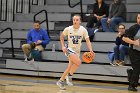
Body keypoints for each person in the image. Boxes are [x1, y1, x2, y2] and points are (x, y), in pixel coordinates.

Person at [57, 14, 94, 90]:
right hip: (69, 49)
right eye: (74, 20)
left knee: (70, 66)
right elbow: (61, 37)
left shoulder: (83, 30)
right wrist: (63, 46)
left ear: (80, 21)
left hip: (77, 51)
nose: (75, 21)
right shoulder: (68, 29)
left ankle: (63, 79)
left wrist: (91, 50)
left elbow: (88, 41)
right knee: (79, 62)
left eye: (77, 20)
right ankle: (66, 77)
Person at [122, 13, 140, 92]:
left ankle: (130, 74)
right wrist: (134, 42)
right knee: (137, 69)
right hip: (134, 52)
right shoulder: (134, 28)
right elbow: (124, 38)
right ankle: (132, 86)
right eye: (138, 18)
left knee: (137, 69)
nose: (139, 19)